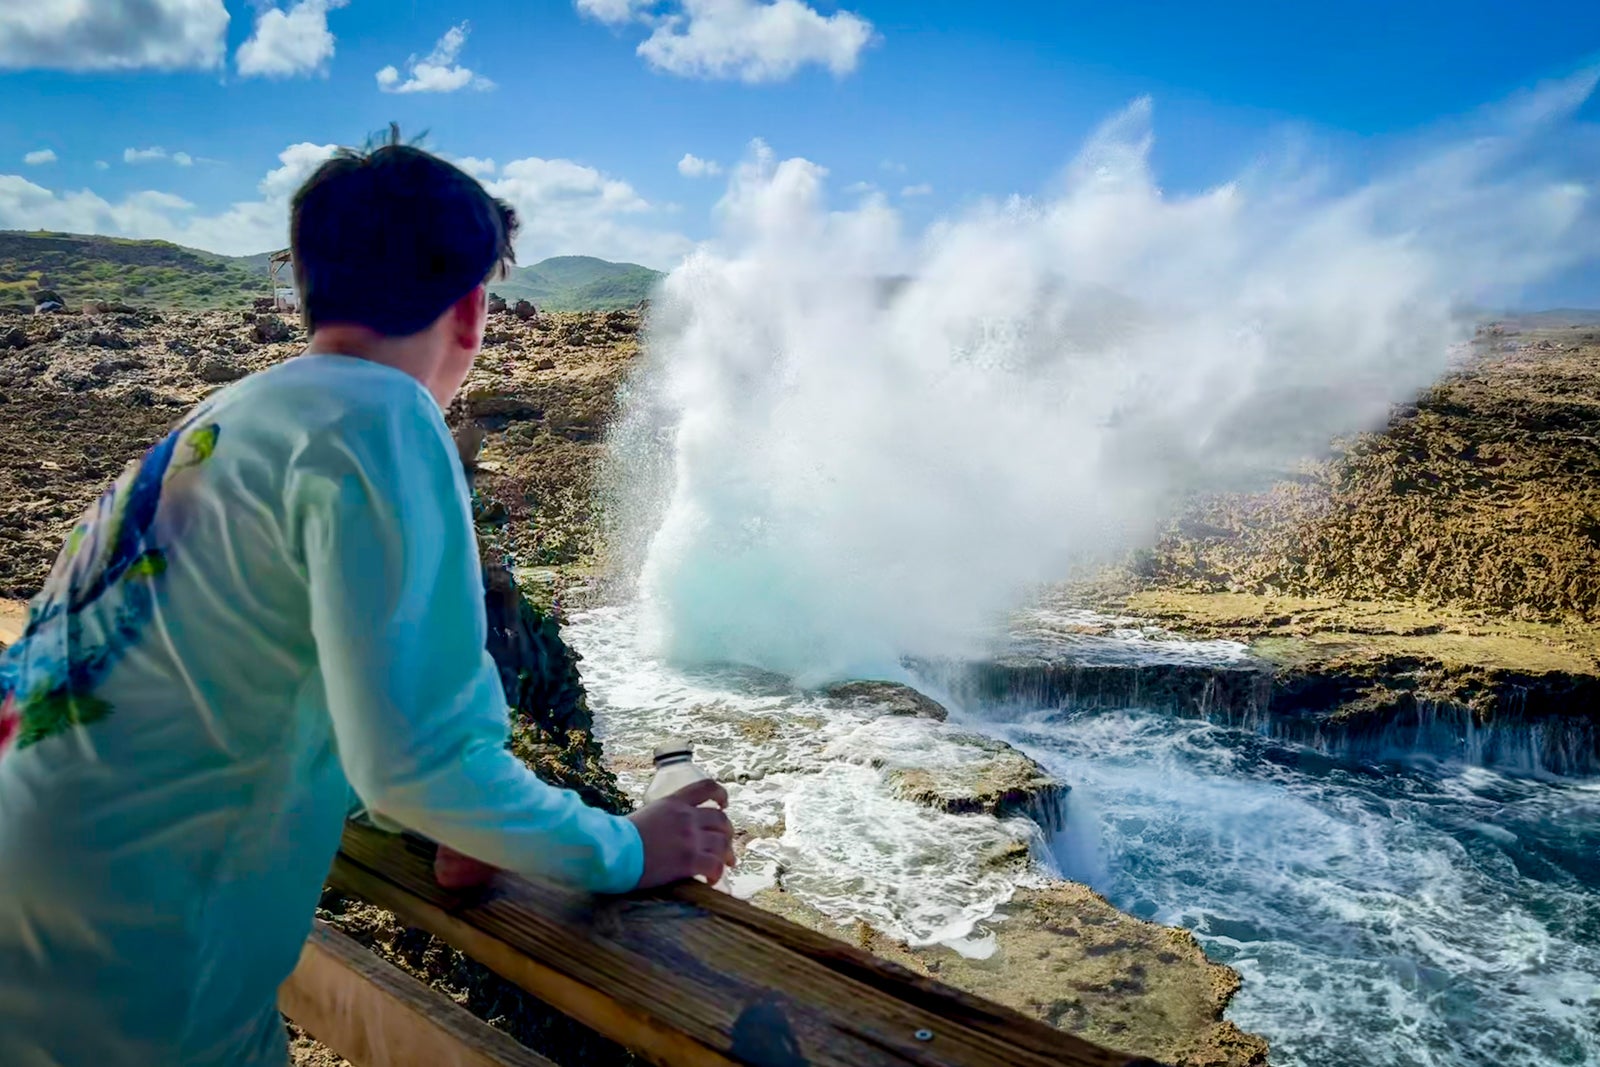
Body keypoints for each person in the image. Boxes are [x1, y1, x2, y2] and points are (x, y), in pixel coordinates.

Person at [0, 139, 734, 1067]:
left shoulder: (229, 417)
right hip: (128, 978)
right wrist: (628, 847)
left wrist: (437, 815)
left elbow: (261, 675)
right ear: (472, 310)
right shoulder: (384, 414)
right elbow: (419, 762)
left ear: (310, 286)